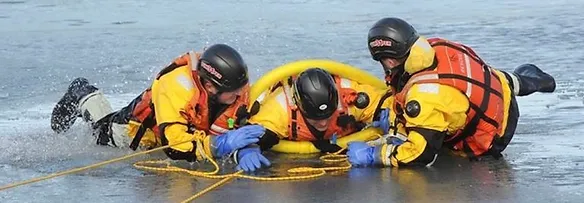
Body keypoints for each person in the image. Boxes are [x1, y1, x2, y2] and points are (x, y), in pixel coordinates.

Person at [347, 17, 556, 167]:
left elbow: (421, 154)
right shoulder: (432, 47)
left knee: (426, 132)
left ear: (390, 60)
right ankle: (525, 80)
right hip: (496, 83)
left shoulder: (423, 97)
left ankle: (521, 82)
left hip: (494, 133)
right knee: (497, 84)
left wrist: (375, 155)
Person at [50, 44, 267, 169]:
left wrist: (247, 148)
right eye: (235, 91)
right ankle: (81, 91)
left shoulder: (233, 86)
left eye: (242, 87)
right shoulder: (175, 86)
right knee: (101, 130)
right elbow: (174, 147)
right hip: (134, 131)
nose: (241, 94)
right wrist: (218, 145)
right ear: (210, 86)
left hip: (188, 128)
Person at [243, 67, 391, 171]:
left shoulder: (352, 97)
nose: (322, 123)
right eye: (314, 118)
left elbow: (388, 101)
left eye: (328, 116)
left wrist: (389, 117)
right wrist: (248, 150)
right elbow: (250, 133)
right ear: (298, 106)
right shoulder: (278, 109)